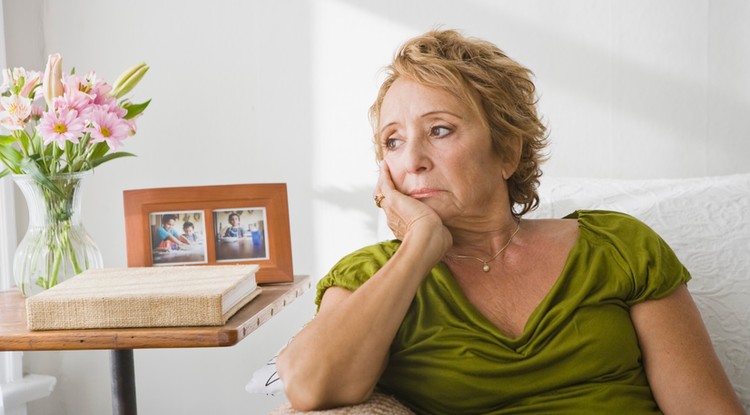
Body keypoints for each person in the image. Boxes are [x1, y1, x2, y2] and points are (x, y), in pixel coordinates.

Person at [276, 29, 745, 414]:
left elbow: (707, 409)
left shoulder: (619, 247)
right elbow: (311, 390)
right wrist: (420, 246)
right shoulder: (370, 277)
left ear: (507, 151)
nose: (413, 159)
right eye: (393, 141)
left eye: (439, 130)